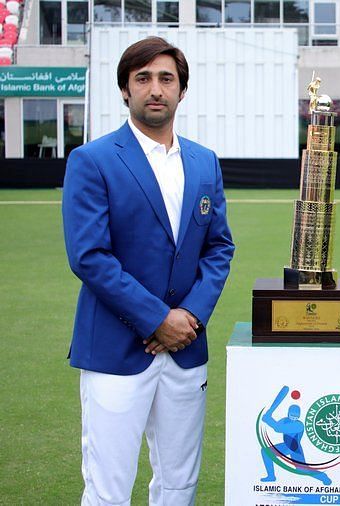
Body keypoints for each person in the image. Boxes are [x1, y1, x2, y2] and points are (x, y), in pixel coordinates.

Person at [62, 36, 234, 505]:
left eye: (166, 79)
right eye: (143, 79)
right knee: (108, 486)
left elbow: (219, 248)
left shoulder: (203, 162)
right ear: (124, 90)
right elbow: (89, 256)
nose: (155, 89)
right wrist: (159, 319)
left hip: (185, 349)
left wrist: (190, 317)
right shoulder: (92, 160)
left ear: (181, 91)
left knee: (179, 483)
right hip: (116, 351)